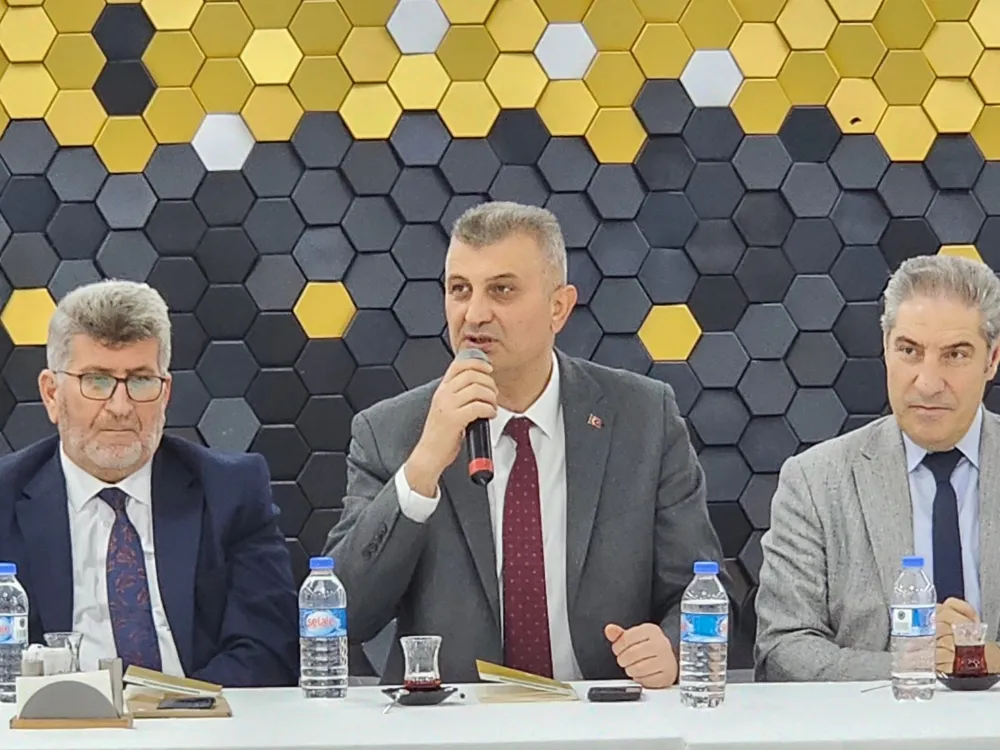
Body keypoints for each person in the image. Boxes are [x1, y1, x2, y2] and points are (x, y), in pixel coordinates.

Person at [324, 201, 724, 688]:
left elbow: (700, 588)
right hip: (455, 722)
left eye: (502, 290)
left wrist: (674, 647)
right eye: (460, 289)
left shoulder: (644, 417)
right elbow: (342, 617)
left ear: (559, 307)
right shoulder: (391, 431)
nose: (474, 314)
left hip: (602, 717)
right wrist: (422, 468)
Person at [0, 280, 298, 687]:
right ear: (52, 394)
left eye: (140, 381)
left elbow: (268, 650)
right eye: (97, 381)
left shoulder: (231, 491)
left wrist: (176, 711)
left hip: (201, 716)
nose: (120, 407)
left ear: (165, 392)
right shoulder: (6, 496)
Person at [755, 254, 1000, 681]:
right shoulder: (814, 482)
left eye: (955, 354)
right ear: (886, 349)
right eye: (909, 351)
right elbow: (781, 650)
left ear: (992, 359)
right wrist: (915, 667)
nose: (928, 382)